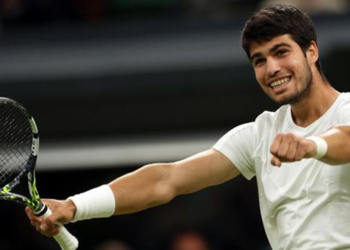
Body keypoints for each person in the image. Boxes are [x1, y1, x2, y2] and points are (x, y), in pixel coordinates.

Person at [26, 4, 350, 250]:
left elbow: (345, 139)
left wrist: (312, 146)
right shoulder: (258, 135)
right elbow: (166, 179)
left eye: (281, 52)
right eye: (259, 60)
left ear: (311, 51)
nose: (271, 68)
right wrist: (74, 206)